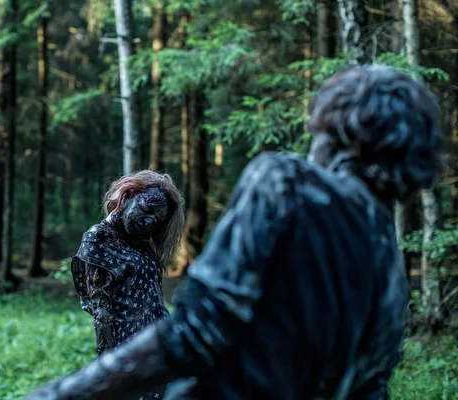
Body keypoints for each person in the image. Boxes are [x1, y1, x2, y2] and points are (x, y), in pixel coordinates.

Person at [24, 65, 441, 399]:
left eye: (317, 130)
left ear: (340, 136)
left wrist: (56, 394)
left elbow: (197, 332)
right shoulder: (390, 268)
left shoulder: (285, 183)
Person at [70, 170, 185, 400]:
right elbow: (102, 315)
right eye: (146, 209)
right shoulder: (97, 238)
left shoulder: (142, 243)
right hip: (130, 347)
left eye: (156, 220)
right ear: (128, 195)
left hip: (160, 342)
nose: (148, 221)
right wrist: (109, 369)